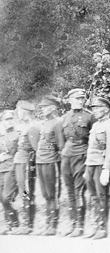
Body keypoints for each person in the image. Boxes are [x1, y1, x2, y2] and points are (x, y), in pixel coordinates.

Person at [59, 88, 95, 237]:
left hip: (81, 154)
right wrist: (63, 152)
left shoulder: (89, 116)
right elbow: (62, 138)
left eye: (82, 99)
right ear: (70, 100)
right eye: (77, 99)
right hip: (67, 154)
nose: (80, 101)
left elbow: (94, 138)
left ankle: (80, 226)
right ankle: (72, 224)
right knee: (70, 191)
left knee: (79, 190)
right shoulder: (65, 117)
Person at [84, 97, 110, 240]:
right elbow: (91, 147)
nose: (94, 111)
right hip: (91, 164)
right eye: (93, 108)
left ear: (106, 109)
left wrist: (107, 168)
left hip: (101, 165)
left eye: (98, 108)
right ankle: (95, 224)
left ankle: (102, 228)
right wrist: (87, 167)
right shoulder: (96, 125)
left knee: (101, 195)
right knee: (92, 196)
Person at [35, 96, 65, 236]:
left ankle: (53, 225)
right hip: (41, 161)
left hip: (51, 162)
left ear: (53, 107)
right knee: (46, 194)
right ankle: (47, 224)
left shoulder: (57, 122)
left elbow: (61, 146)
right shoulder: (45, 123)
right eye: (41, 107)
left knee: (52, 194)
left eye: (45, 107)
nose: (42, 109)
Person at [11, 100, 39, 234]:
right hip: (19, 162)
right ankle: (26, 223)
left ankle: (28, 224)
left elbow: (35, 148)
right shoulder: (22, 126)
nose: (18, 113)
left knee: (26, 192)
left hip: (27, 163)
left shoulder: (32, 127)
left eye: (20, 111)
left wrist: (32, 165)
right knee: (23, 191)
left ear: (26, 112)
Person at [0, 111, 19, 234]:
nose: (9, 121)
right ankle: (9, 224)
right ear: (2, 121)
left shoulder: (17, 134)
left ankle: (15, 221)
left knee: (7, 198)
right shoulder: (1, 136)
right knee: (2, 198)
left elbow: (19, 152)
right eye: (7, 120)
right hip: (1, 168)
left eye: (11, 119)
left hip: (11, 169)